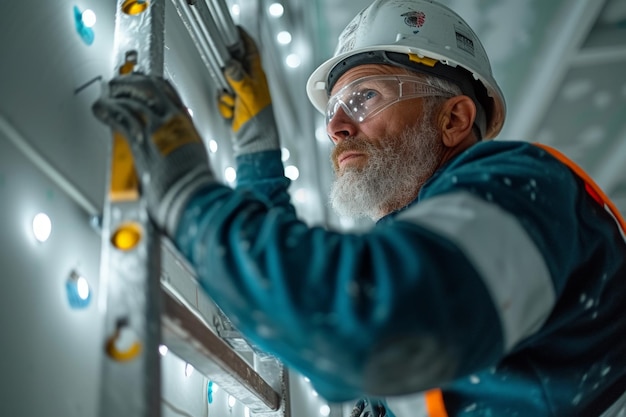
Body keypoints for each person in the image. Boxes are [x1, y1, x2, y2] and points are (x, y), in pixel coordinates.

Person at [92, 0, 626, 415]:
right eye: (336, 110)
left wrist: (191, 195)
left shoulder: (524, 187)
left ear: (455, 119)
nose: (336, 127)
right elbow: (284, 316)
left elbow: (367, 319)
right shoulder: (433, 238)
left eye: (365, 98)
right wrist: (257, 154)